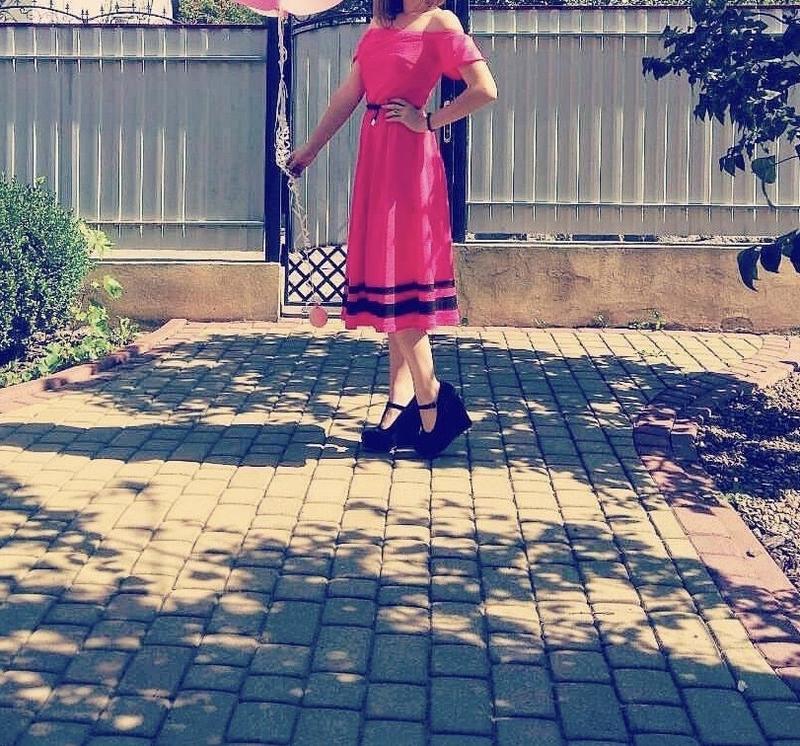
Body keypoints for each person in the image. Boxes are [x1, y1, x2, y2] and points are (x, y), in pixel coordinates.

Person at [286, 0, 498, 459]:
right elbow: (347, 97)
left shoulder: (440, 23)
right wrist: (309, 150)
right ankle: (400, 405)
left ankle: (432, 401)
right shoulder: (377, 28)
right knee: (391, 281)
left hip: (410, 164)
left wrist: (429, 120)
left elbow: (485, 89)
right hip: (377, 159)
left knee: (401, 284)